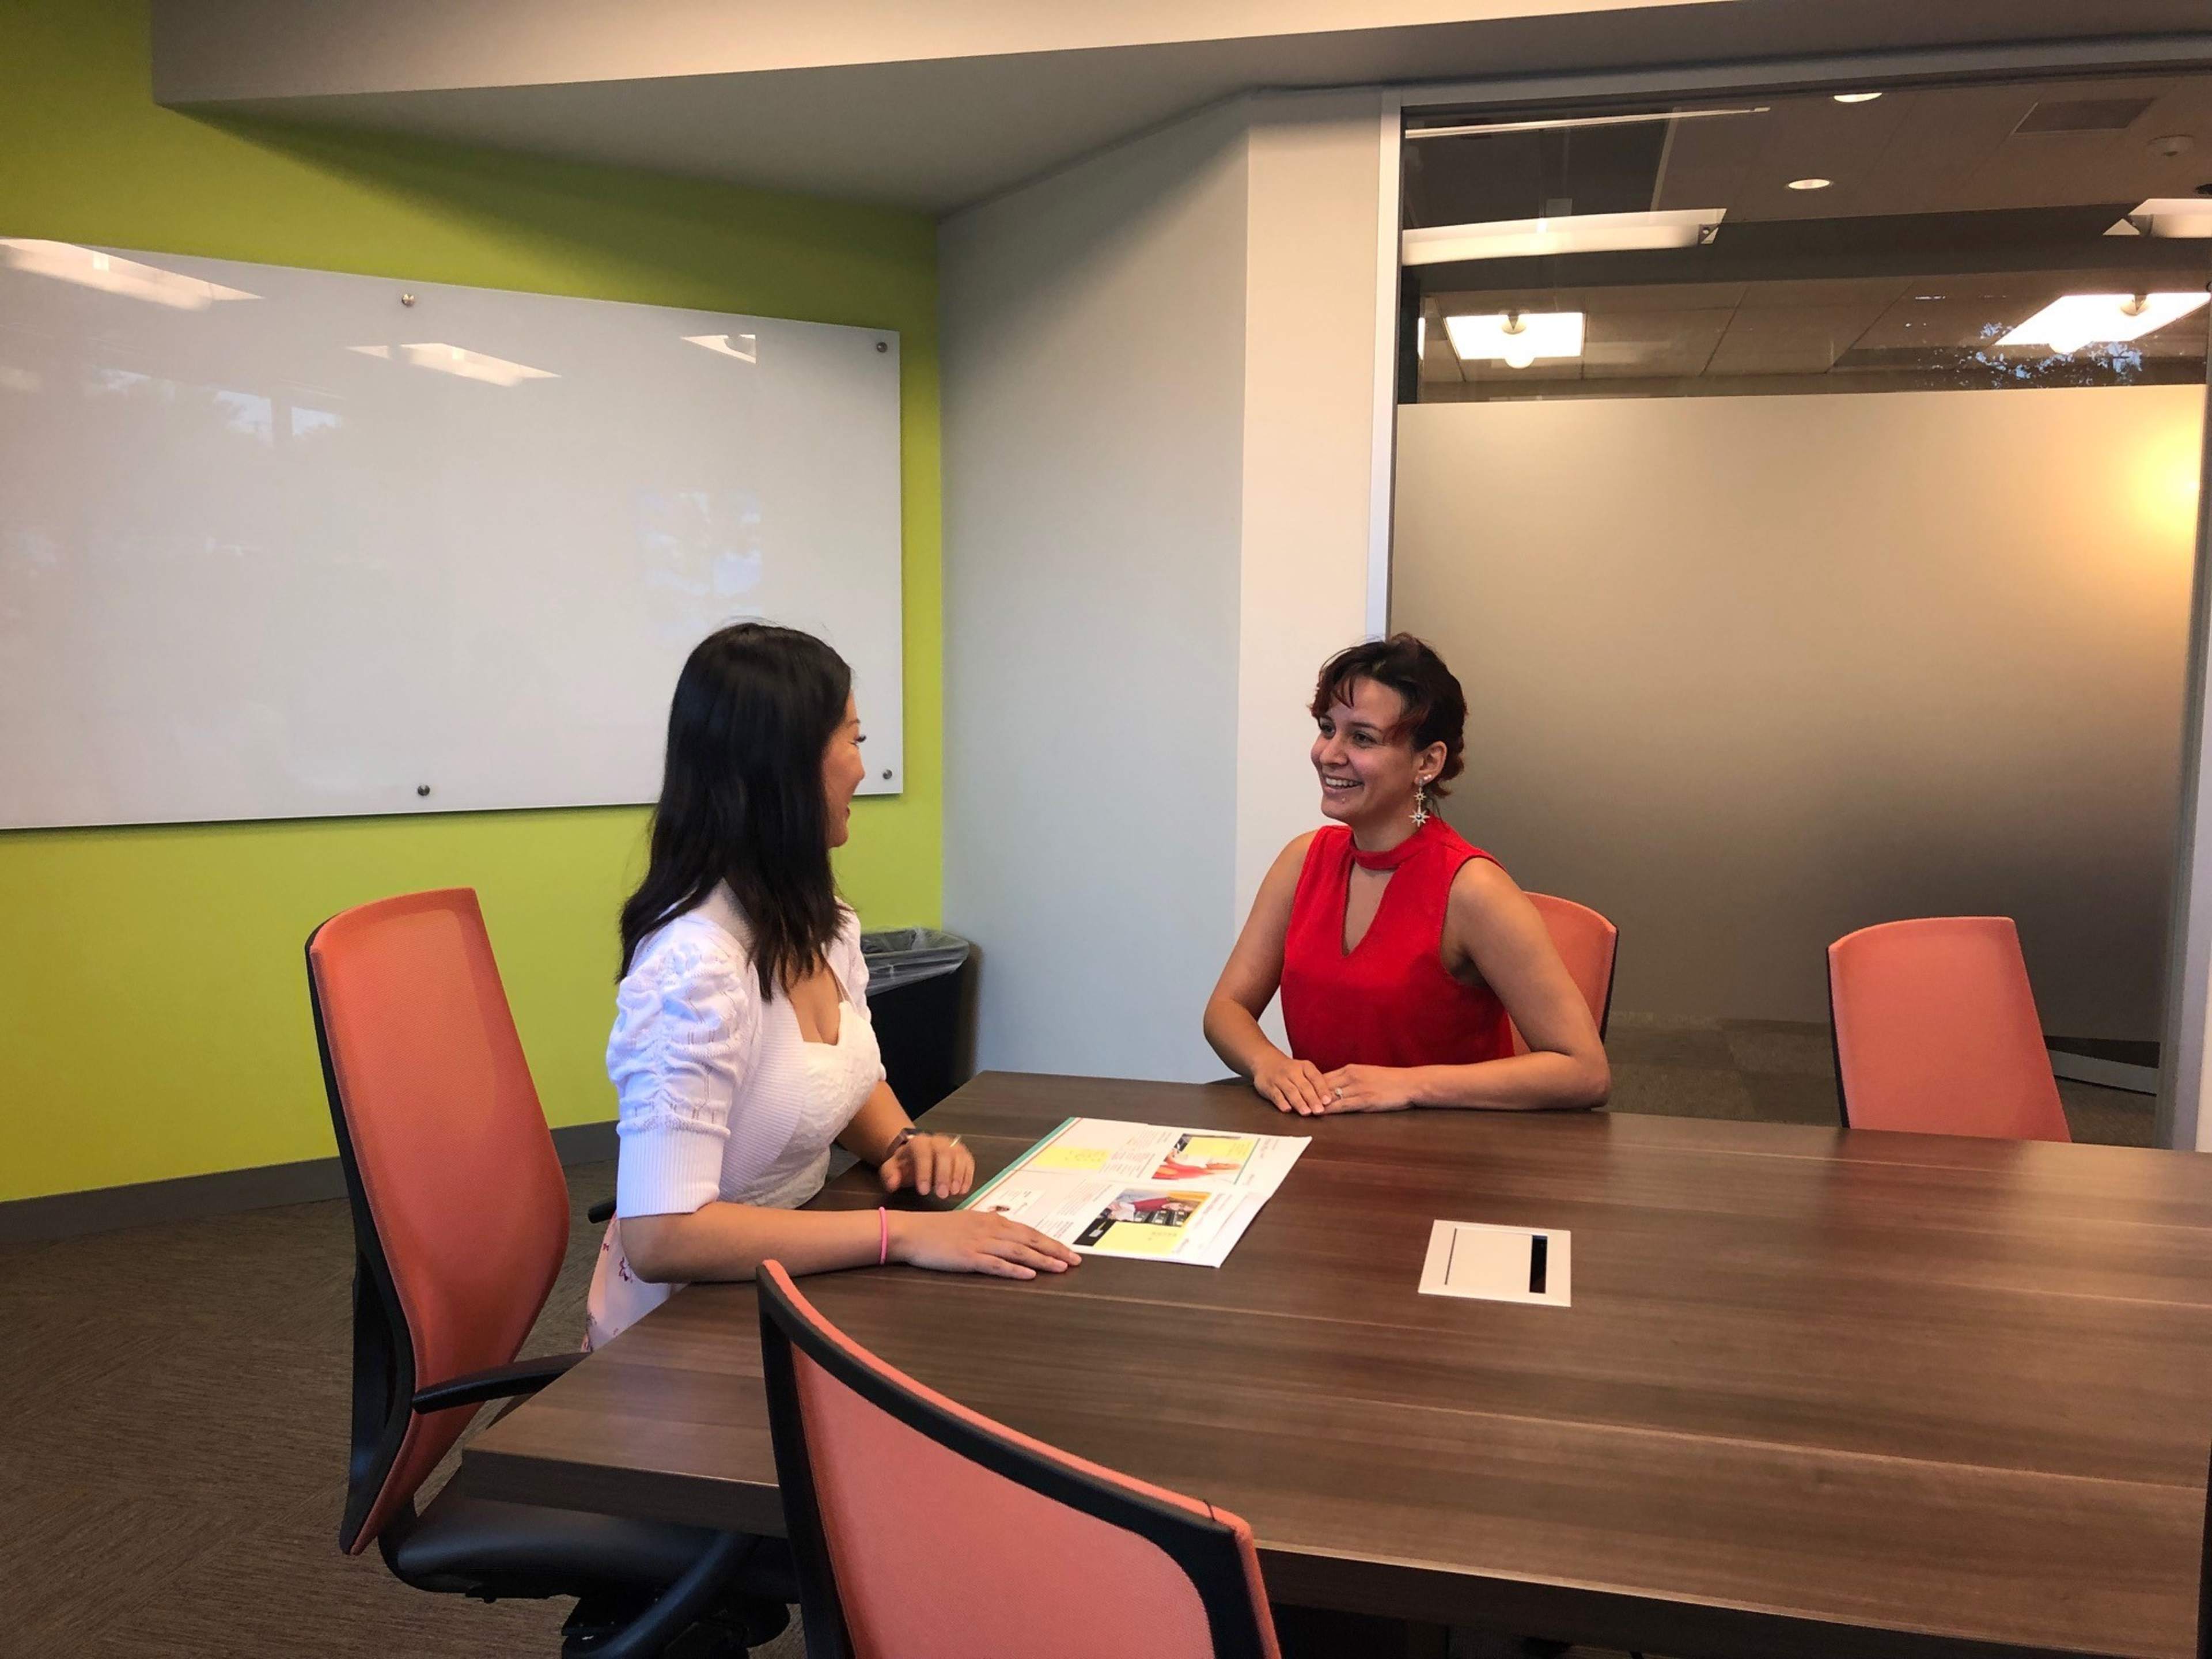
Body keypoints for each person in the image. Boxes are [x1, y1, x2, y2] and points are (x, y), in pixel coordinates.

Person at [585, 622, 1077, 1348]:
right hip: (685, 1331)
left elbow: (829, 1076)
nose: (862, 769)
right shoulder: (695, 969)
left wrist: (904, 1143)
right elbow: (661, 1237)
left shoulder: (822, 921)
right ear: (785, 767)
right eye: (853, 740)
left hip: (787, 1281)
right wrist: (899, 1235)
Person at [1203, 634, 1609, 1116]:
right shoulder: (1302, 860)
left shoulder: (1473, 887)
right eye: (1327, 728)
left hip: (1445, 1162)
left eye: (1362, 738)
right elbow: (1226, 1010)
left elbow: (1584, 1070)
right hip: (1328, 1145)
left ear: (1428, 763)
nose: (1329, 754)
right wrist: (1269, 1064)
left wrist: (1409, 1086)